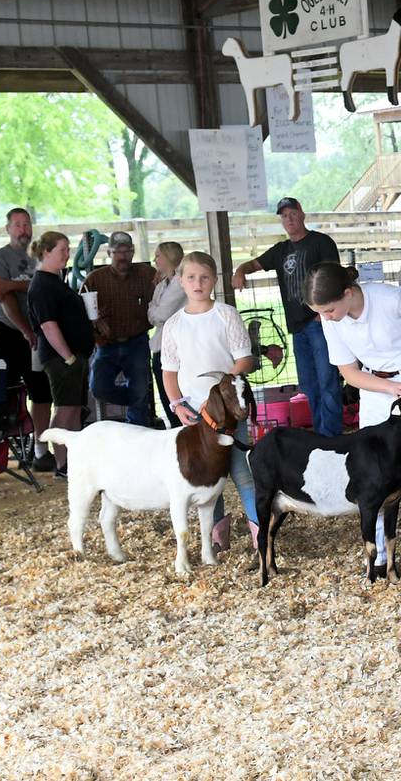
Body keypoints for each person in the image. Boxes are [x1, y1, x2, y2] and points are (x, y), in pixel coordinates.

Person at [307, 262, 401, 577]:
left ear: (348, 293)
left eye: (329, 309)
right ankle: (375, 559)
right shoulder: (330, 320)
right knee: (372, 477)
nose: (325, 316)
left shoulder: (389, 299)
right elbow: (349, 372)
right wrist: (387, 387)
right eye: (320, 311)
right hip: (377, 391)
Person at [160, 251, 258, 552]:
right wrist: (177, 404)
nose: (197, 283)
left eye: (204, 277)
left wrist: (226, 387)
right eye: (190, 277)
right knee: (207, 477)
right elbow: (169, 372)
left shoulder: (225, 314)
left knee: (242, 471)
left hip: (228, 412)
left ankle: (260, 535)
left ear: (214, 280)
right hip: (197, 415)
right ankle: (216, 538)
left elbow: (245, 359)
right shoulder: (173, 324)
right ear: (180, 281)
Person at [232, 197, 343, 438]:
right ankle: (320, 433)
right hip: (297, 326)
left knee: (327, 381)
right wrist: (240, 270)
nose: (289, 219)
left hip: (319, 322)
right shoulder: (281, 250)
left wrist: (322, 312)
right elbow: (254, 263)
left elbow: (334, 277)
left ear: (302, 214)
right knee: (309, 385)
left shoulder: (321, 242)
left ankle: (330, 435)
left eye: (292, 213)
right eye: (284, 216)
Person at [0, 207, 54, 471]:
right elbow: (3, 296)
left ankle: (40, 450)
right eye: (17, 224)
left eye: (26, 224)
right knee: (1, 394)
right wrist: (25, 330)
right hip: (9, 332)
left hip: (39, 333)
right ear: (7, 229)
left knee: (41, 391)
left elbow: (49, 285)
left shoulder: (41, 256)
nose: (23, 229)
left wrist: (14, 283)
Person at [26, 232, 94, 478]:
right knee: (65, 410)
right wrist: (68, 357)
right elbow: (48, 325)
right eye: (62, 250)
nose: (68, 254)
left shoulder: (55, 280)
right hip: (61, 358)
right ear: (46, 252)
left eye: (67, 249)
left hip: (72, 355)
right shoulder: (42, 284)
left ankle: (71, 463)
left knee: (74, 409)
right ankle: (61, 464)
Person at [82, 231, 157, 427]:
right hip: (107, 344)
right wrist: (95, 329)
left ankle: (138, 428)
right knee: (98, 388)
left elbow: (166, 292)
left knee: (140, 389)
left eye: (127, 251)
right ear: (109, 253)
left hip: (138, 340)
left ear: (133, 252)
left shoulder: (148, 275)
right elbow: (80, 310)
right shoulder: (95, 279)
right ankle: (137, 401)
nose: (122, 256)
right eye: (117, 252)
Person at [148, 242, 187, 429]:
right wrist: (154, 310)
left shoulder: (180, 282)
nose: (155, 260)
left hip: (173, 347)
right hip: (160, 345)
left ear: (168, 258)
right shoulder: (163, 284)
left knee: (173, 397)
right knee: (167, 397)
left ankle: (181, 430)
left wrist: (153, 309)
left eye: (158, 256)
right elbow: (153, 315)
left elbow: (160, 314)